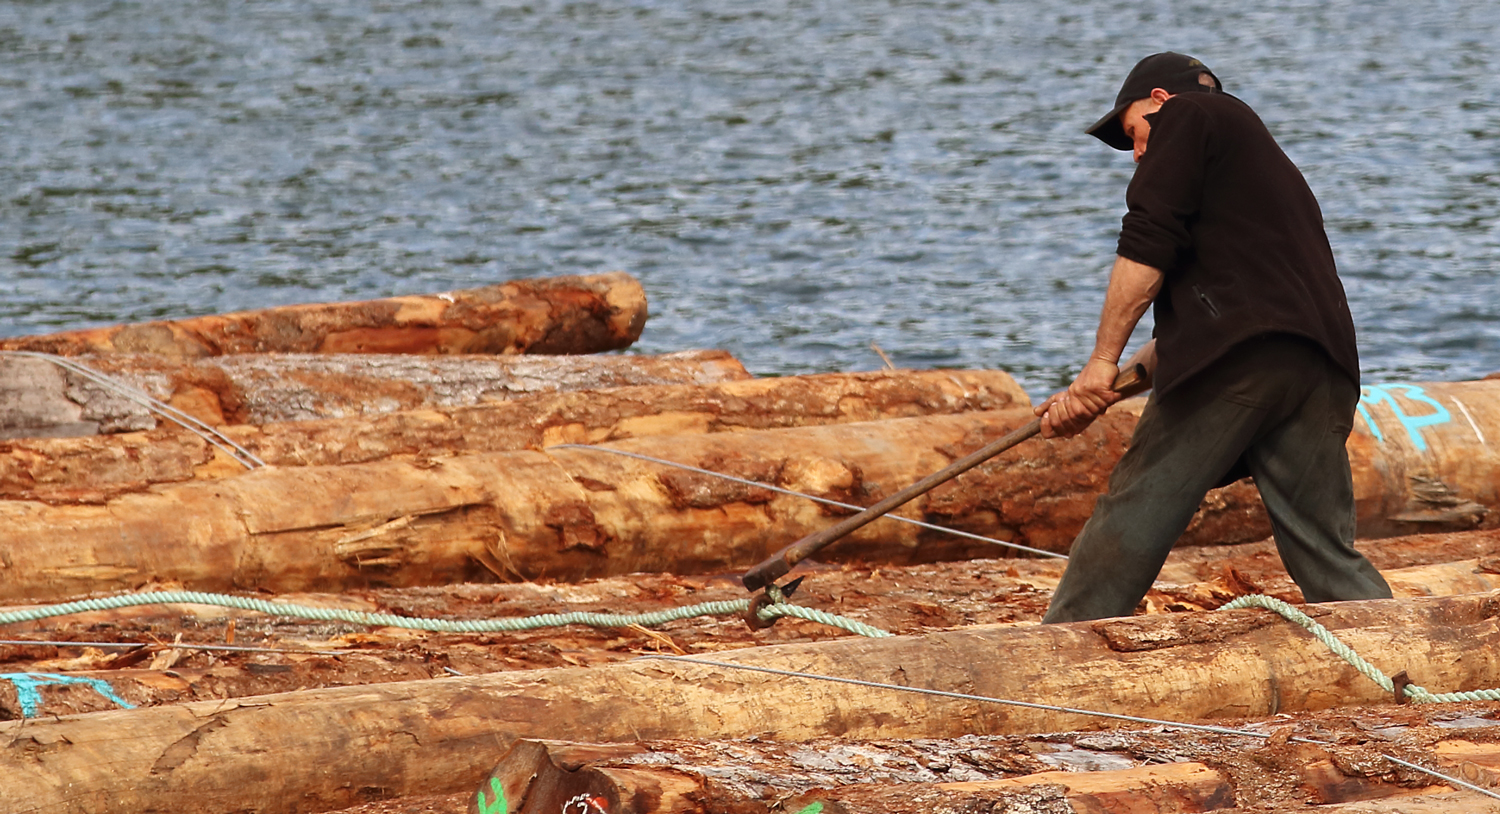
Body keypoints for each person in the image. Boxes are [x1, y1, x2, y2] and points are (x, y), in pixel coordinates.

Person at [1036, 52, 1392, 623]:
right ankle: (1399, 653)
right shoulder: (1258, 166)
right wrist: (1099, 392)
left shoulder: (1187, 115)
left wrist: (1100, 360)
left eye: (1133, 133)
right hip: (1318, 365)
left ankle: (1058, 655)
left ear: (1158, 99)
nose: (1136, 153)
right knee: (1325, 551)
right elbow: (1207, 324)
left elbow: (1147, 240)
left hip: (1243, 358)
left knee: (1135, 508)